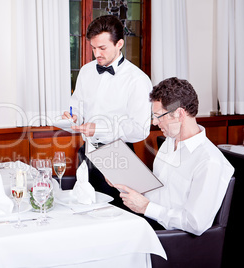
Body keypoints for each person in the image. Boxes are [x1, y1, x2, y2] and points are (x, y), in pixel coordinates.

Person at [109, 77, 234, 235]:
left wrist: (147, 207)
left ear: (179, 114)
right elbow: (158, 193)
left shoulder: (210, 161)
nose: (154, 122)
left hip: (171, 238)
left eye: (159, 116)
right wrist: (124, 181)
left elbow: (195, 223)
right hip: (148, 223)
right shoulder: (169, 143)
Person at [62, 15, 152, 205]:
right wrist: (73, 116)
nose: (97, 54)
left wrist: (99, 128)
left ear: (119, 43)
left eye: (102, 48)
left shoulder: (137, 80)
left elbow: (140, 129)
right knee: (85, 209)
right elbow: (76, 104)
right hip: (86, 152)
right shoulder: (86, 72)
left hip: (118, 157)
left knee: (116, 215)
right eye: (93, 48)